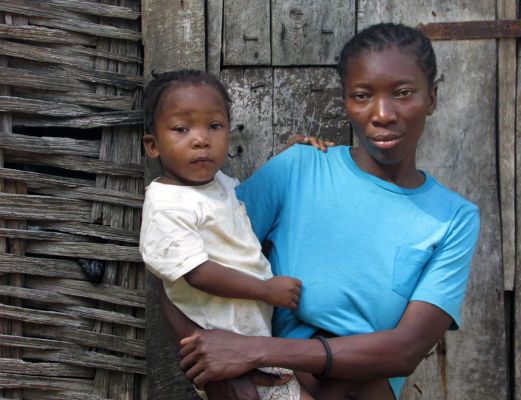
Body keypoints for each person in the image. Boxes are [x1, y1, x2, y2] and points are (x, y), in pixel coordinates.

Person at [166, 22, 480, 400]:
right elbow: (176, 263)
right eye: (362, 95)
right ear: (345, 101)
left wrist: (253, 350)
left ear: (432, 97)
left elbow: (405, 350)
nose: (382, 113)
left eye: (403, 93)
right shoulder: (300, 170)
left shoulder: (453, 218)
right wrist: (216, 376)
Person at [139, 69, 321, 400]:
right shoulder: (167, 205)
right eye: (181, 129)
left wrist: (291, 158)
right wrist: (266, 290)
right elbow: (196, 273)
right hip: (226, 353)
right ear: (152, 145)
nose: (200, 139)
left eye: (215, 126)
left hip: (253, 342)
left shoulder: (218, 184)